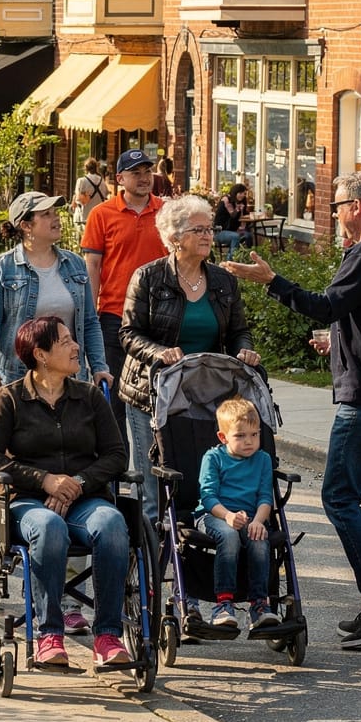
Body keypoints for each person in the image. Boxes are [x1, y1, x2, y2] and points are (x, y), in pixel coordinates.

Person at [225, 170, 361, 650]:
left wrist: (270, 280)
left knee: (338, 496)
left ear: (356, 207)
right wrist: (337, 344)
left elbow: (325, 305)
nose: (331, 212)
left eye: (335, 205)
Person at [0, 315, 131, 672]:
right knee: (48, 527)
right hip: (27, 502)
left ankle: (107, 635)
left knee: (112, 523)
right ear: (41, 354)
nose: (76, 347)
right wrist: (44, 480)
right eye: (65, 342)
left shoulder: (90, 397)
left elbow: (116, 455)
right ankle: (49, 634)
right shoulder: (10, 400)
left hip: (85, 499)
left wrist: (75, 482)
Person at [118, 194, 257, 526]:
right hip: (150, 393)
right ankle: (150, 571)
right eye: (199, 230)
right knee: (155, 487)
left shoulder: (223, 281)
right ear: (175, 237)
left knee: (200, 479)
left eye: (210, 228)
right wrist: (159, 352)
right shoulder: (148, 278)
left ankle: (193, 561)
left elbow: (239, 330)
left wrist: (244, 350)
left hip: (205, 393)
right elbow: (128, 333)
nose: (208, 235)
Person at [0, 191, 107, 391]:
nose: (56, 217)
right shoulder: (2, 268)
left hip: (71, 377)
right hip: (20, 379)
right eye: (46, 214)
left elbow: (89, 322)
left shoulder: (75, 265)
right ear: (26, 226)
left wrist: (99, 366)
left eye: (55, 212)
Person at [80, 148, 168, 439]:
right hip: (114, 316)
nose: (144, 178)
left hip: (159, 319)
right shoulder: (102, 214)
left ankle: (157, 471)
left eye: (147, 172)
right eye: (136, 173)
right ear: (119, 178)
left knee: (159, 398)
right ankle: (117, 472)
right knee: (113, 399)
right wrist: (89, 312)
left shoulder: (167, 213)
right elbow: (93, 265)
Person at [197, 397, 278, 634]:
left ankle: (259, 604)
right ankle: (224, 604)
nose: (249, 441)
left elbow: (265, 497)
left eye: (254, 434)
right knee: (229, 537)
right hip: (215, 515)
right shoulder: (213, 458)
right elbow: (208, 497)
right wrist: (228, 516)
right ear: (223, 437)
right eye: (240, 436)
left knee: (259, 540)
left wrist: (258, 521)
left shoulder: (262, 460)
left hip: (252, 516)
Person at [213, 183, 250, 259]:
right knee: (235, 237)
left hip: (233, 229)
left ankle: (248, 260)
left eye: (244, 193)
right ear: (235, 192)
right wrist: (238, 210)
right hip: (220, 231)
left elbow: (242, 216)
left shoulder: (240, 202)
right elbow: (233, 216)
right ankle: (230, 260)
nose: (242, 195)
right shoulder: (226, 201)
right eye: (240, 193)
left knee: (249, 236)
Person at [72, 158, 105, 229]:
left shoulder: (81, 181)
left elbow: (78, 199)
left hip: (85, 216)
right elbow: (105, 194)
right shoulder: (102, 180)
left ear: (86, 168)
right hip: (98, 216)